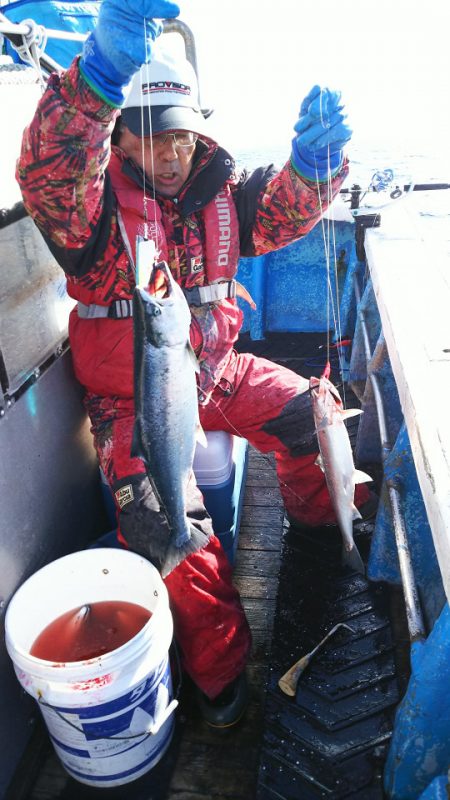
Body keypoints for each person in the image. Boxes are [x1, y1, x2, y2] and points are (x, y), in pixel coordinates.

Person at [16, 0, 374, 728]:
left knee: (312, 416)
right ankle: (222, 677)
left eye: (181, 135)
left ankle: (319, 529)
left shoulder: (223, 194)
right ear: (119, 136)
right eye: (153, 138)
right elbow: (52, 174)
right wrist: (97, 79)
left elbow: (282, 212)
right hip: (132, 402)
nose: (172, 153)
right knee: (171, 537)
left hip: (217, 373)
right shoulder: (92, 217)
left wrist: (316, 165)